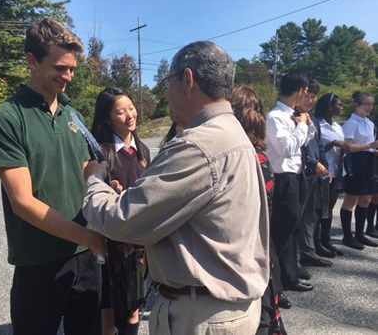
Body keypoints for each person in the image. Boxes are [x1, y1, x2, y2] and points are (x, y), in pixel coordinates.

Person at [83, 41, 269, 335]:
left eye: (168, 81)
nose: (167, 92)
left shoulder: (198, 144)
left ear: (187, 79)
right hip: (228, 307)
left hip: (201, 316)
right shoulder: (232, 132)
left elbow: (122, 221)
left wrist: (94, 181)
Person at [0, 18, 106, 335]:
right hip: (38, 261)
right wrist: (90, 238)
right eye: (59, 68)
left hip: (86, 259)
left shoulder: (73, 115)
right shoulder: (7, 118)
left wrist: (100, 178)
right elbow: (23, 202)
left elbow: (82, 166)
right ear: (32, 60)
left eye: (72, 69)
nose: (67, 77)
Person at [90, 87, 150, 335]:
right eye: (120, 112)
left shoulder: (143, 151)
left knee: (134, 306)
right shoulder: (100, 152)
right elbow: (90, 190)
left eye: (131, 108)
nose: (129, 115)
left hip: (137, 242)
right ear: (106, 118)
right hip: (109, 242)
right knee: (109, 312)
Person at [231, 85, 287, 335]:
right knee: (265, 317)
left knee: (258, 322)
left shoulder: (238, 159)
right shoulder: (259, 157)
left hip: (245, 257)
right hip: (265, 252)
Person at [265, 70, 316, 292]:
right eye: (305, 92)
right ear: (300, 91)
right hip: (283, 179)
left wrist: (307, 124)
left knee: (293, 228)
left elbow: (304, 142)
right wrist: (302, 126)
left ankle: (290, 278)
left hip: (296, 176)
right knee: (280, 233)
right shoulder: (275, 116)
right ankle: (275, 286)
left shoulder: (293, 115)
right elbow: (286, 149)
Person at [294, 79, 334, 268]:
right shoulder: (293, 117)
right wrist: (314, 163)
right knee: (297, 218)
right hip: (300, 173)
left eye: (314, 96)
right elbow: (297, 149)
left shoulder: (314, 119)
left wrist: (325, 167)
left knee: (312, 215)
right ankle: (295, 260)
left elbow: (318, 147)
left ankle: (309, 251)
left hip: (316, 175)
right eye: (308, 95)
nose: (311, 100)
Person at [339, 91, 378, 249]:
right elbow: (347, 147)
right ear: (357, 105)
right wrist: (369, 146)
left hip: (369, 162)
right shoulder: (352, 122)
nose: (369, 107)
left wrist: (373, 149)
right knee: (351, 199)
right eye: (365, 104)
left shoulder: (368, 123)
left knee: (366, 199)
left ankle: (360, 234)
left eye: (371, 104)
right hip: (356, 162)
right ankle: (347, 236)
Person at [314, 93, 348, 256]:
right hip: (322, 172)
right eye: (339, 104)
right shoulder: (318, 125)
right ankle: (316, 242)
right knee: (320, 209)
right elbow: (316, 150)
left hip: (337, 171)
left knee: (330, 209)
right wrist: (333, 143)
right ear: (329, 107)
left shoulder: (337, 126)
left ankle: (325, 240)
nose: (341, 107)